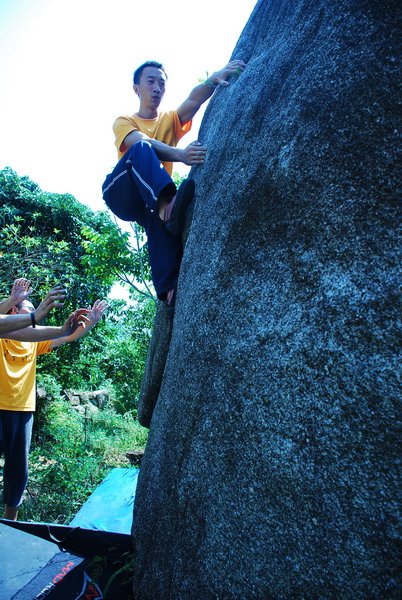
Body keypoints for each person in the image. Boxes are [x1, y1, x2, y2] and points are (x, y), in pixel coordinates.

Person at [102, 59, 245, 307]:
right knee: (142, 149)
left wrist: (213, 79)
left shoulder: (168, 120)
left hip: (149, 200)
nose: (157, 88)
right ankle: (165, 208)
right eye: (150, 82)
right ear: (136, 88)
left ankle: (168, 290)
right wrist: (181, 155)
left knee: (158, 220)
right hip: (120, 192)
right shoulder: (124, 121)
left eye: (161, 83)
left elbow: (192, 101)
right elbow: (139, 143)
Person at [0, 280, 108, 520]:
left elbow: (67, 335)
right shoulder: (2, 334)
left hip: (22, 409)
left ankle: (10, 522)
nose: (34, 319)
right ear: (14, 313)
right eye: (29, 311)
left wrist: (90, 323)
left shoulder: (34, 343)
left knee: (18, 469)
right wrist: (13, 300)